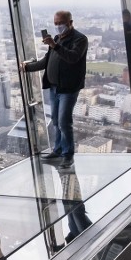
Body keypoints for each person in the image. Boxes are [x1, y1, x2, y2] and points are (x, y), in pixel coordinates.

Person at [21, 10, 88, 169]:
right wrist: (27, 68)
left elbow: (72, 57)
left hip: (68, 89)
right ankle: (58, 151)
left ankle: (68, 155)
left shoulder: (80, 39)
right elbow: (47, 61)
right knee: (57, 122)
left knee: (64, 122)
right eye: (56, 23)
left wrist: (54, 45)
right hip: (54, 87)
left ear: (70, 22)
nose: (58, 26)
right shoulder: (57, 39)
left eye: (61, 23)